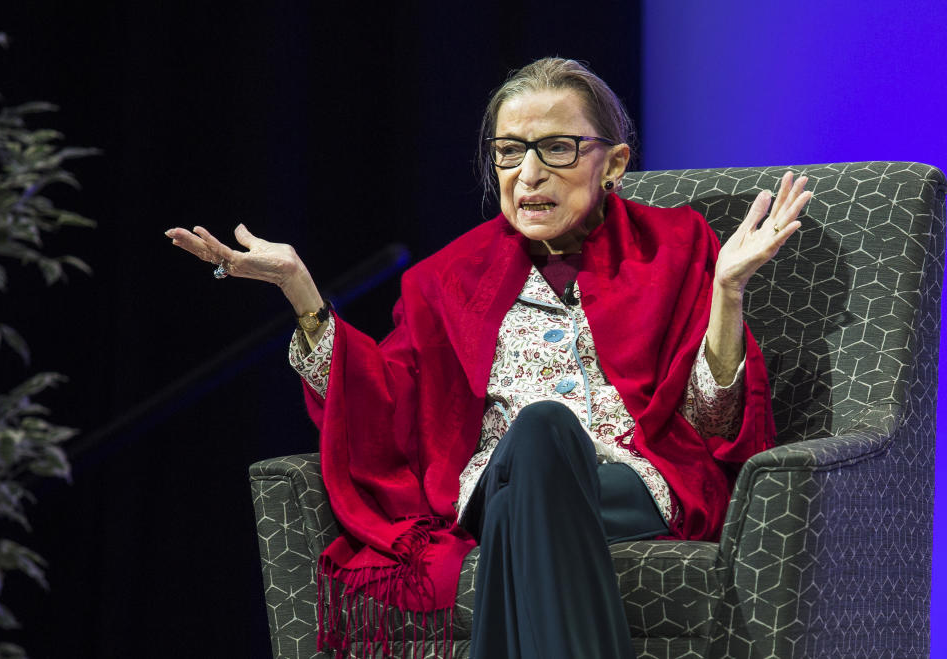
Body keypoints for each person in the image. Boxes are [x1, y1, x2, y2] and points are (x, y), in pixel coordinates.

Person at [167, 58, 810, 659]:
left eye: (557, 148)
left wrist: (727, 293)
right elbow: (388, 405)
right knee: (538, 434)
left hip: (629, 484)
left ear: (614, 163)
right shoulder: (446, 278)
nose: (528, 174)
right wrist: (302, 293)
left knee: (518, 501)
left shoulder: (675, 247)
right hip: (490, 478)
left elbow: (717, 423)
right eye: (508, 152)